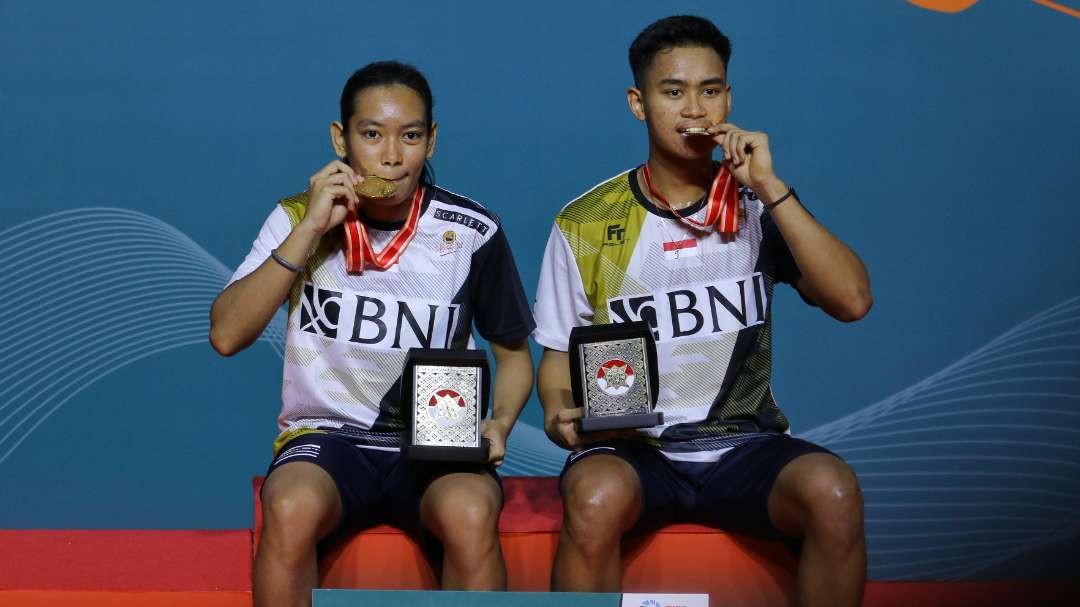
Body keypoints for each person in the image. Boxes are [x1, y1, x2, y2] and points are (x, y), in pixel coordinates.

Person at [532, 16, 872, 607]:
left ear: (728, 98)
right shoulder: (584, 224)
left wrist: (770, 186)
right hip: (638, 450)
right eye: (673, 91)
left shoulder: (759, 206)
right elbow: (558, 353)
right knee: (593, 495)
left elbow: (853, 301)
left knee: (833, 490)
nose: (694, 108)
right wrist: (562, 412)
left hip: (745, 445)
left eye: (709, 90)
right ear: (639, 103)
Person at [210, 61, 535, 607]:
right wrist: (311, 229)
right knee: (287, 506)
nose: (390, 155)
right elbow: (226, 335)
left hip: (436, 443)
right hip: (326, 438)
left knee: (471, 510)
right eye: (371, 134)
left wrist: (499, 422)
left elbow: (514, 355)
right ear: (341, 139)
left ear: (431, 141)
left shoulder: (472, 231)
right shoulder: (295, 217)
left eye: (409, 136)